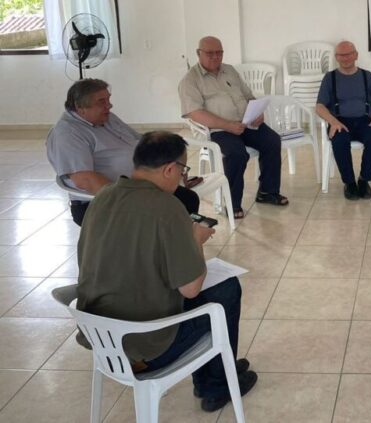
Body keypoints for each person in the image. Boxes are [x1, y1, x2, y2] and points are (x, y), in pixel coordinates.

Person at [76, 131, 257, 412]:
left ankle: (218, 370)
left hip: (103, 339)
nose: (183, 177)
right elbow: (191, 288)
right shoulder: (167, 207)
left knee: (207, 291)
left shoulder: (102, 197)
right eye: (183, 169)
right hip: (146, 347)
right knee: (226, 290)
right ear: (170, 169)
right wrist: (195, 239)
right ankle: (215, 385)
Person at [47, 78, 199, 226]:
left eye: (108, 99)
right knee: (170, 210)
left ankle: (181, 246)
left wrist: (174, 167)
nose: (109, 106)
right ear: (80, 107)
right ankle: (164, 248)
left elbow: (141, 143)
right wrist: (134, 199)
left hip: (140, 187)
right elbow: (85, 180)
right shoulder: (67, 134)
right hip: (105, 202)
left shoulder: (106, 118)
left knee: (188, 199)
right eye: (102, 102)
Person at [179, 36, 287, 219]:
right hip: (218, 129)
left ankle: (267, 192)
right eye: (210, 53)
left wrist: (257, 113)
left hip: (246, 122)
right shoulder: (190, 81)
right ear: (199, 53)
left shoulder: (229, 70)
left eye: (219, 52)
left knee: (272, 141)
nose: (215, 57)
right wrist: (227, 125)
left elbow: (248, 95)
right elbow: (195, 113)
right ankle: (232, 202)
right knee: (237, 154)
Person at [315, 40, 371, 200]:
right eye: (341, 55)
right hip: (340, 121)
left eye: (349, 54)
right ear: (336, 57)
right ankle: (349, 183)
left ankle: (364, 180)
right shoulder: (329, 78)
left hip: (365, 121)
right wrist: (332, 121)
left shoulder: (367, 76)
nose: (346, 58)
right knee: (339, 141)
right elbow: (320, 106)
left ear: (356, 55)